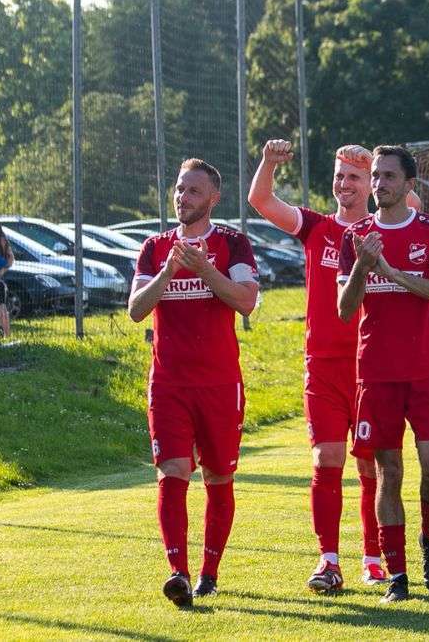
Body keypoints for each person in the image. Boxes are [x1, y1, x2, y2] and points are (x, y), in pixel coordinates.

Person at [247, 139, 389, 591]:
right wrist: (269, 162)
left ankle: (373, 558)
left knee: (370, 465)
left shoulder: (383, 229)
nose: (344, 184)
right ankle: (328, 561)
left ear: (370, 184)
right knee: (326, 459)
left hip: (370, 365)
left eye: (355, 177)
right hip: (324, 366)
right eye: (339, 176)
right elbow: (260, 200)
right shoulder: (316, 227)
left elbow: (413, 204)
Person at [128, 158, 259, 608]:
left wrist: (204, 270)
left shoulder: (233, 244)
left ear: (213, 198)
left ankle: (209, 574)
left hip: (220, 384)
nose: (183, 197)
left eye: (193, 191)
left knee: (219, 477)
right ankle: (178, 573)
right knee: (173, 472)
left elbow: (246, 301)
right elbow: (136, 310)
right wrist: (168, 271)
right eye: (180, 189)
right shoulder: (155, 247)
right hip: (169, 384)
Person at [337, 145, 429, 604]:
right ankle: (398, 575)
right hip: (376, 372)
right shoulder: (357, 236)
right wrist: (362, 268)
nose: (379, 183)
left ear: (409, 184)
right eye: (375, 176)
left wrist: (390, 270)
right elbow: (345, 310)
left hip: (426, 369)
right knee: (388, 472)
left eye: (389, 176)